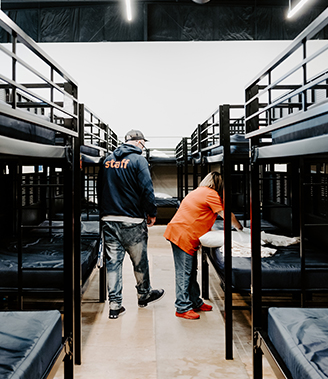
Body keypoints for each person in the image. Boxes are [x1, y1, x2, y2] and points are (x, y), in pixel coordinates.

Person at [98, 129, 164, 319]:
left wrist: (104, 212)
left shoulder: (107, 159)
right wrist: (152, 212)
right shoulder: (139, 160)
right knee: (139, 262)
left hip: (109, 219)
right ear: (138, 142)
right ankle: (143, 295)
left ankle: (115, 305)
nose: (143, 147)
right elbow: (146, 188)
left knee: (113, 264)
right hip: (132, 220)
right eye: (143, 144)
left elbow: (99, 186)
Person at [163, 171, 243, 320]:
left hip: (183, 233)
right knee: (184, 273)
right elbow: (227, 215)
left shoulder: (200, 191)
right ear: (219, 184)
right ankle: (182, 307)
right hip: (183, 236)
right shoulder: (210, 194)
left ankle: (195, 301)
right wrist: (241, 230)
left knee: (192, 271)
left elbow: (199, 214)